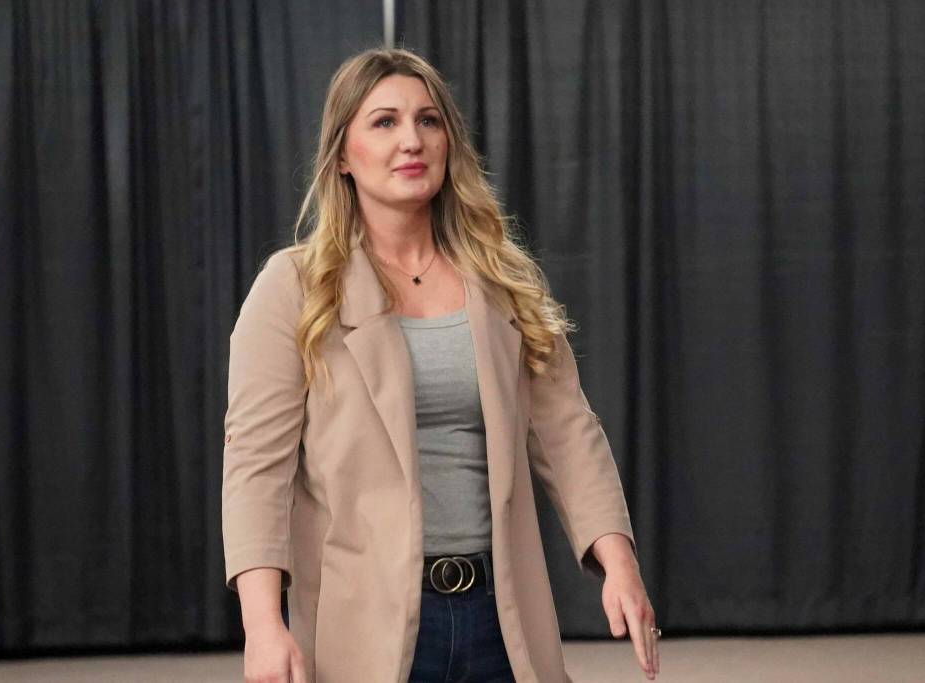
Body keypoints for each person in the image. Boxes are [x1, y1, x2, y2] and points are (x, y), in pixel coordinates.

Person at [222, 46, 660, 682]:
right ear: (342, 155)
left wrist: (619, 562)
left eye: (428, 120)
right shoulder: (293, 287)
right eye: (384, 122)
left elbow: (569, 432)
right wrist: (263, 624)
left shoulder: (503, 280)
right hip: (363, 626)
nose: (412, 140)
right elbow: (255, 466)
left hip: (500, 616)